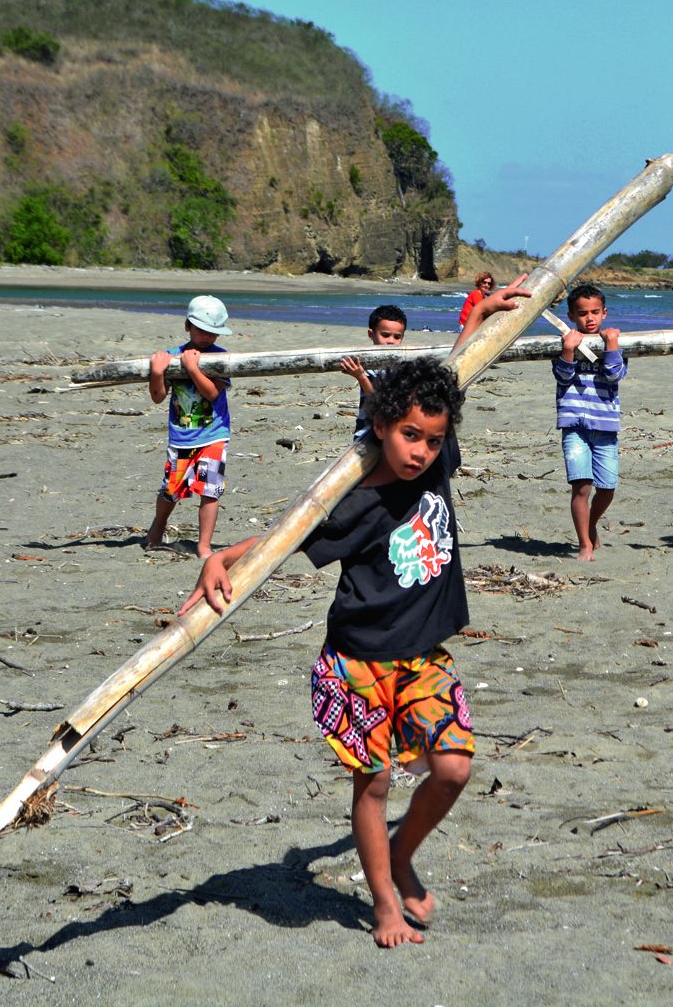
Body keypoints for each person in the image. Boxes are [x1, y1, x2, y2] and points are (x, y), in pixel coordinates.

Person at [180, 277, 531, 948]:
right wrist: (223, 554)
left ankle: (402, 857)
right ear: (377, 426)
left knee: (453, 767)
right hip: (358, 663)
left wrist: (476, 317)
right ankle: (383, 904)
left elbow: (452, 380)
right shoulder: (353, 502)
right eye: (407, 436)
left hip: (423, 655)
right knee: (371, 787)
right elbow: (288, 538)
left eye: (430, 439)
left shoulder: (433, 466)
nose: (419, 451)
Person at [144, 295, 233, 558]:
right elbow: (158, 397)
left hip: (214, 435)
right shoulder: (172, 357)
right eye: (202, 330)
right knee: (171, 490)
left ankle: (204, 544)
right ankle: (156, 530)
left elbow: (213, 394)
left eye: (213, 333)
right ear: (188, 326)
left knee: (210, 491)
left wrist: (193, 369)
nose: (207, 337)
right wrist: (158, 372)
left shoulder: (221, 358)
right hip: (182, 438)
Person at [552, 284, 626, 561]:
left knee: (607, 488)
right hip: (574, 425)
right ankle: (584, 542)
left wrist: (612, 345)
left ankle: (591, 524)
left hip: (605, 426)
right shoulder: (564, 341)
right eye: (582, 313)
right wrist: (569, 351)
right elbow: (562, 377)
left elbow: (615, 376)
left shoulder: (614, 342)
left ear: (605, 313)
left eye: (595, 312)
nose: (589, 318)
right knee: (581, 486)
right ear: (571, 315)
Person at [340, 304, 407, 439]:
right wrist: (361, 376)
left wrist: (360, 376)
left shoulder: (401, 365)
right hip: (366, 431)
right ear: (371, 334)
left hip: (393, 433)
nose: (391, 341)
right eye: (385, 335)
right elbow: (375, 400)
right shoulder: (368, 365)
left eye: (397, 337)